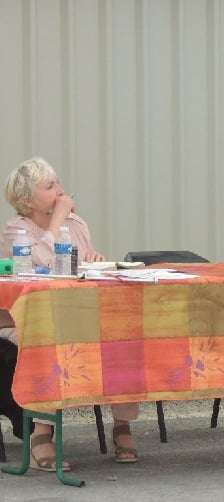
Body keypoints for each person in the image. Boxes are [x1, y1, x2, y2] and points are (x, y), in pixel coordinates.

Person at [0, 157, 140, 470]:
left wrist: (93, 258)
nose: (61, 191)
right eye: (50, 187)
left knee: (120, 335)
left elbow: (80, 268)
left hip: (74, 313)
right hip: (25, 320)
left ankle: (122, 425)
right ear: (27, 200)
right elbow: (39, 266)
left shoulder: (75, 224)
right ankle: (41, 434)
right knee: (46, 342)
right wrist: (56, 222)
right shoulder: (16, 230)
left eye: (58, 183)